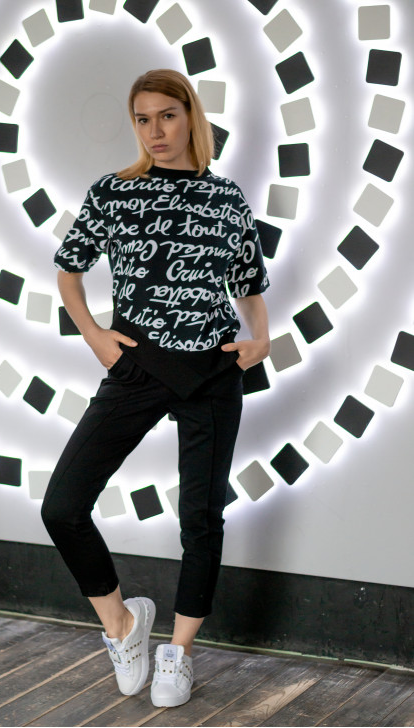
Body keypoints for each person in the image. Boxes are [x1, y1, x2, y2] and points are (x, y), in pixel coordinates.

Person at [41, 68, 270, 708]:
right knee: (62, 506)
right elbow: (68, 272)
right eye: (142, 119)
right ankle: (122, 622)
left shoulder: (226, 198)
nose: (155, 130)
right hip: (137, 365)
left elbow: (249, 286)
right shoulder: (114, 192)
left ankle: (180, 651)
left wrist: (261, 338)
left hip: (214, 370)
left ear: (190, 115)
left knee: (200, 517)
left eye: (167, 115)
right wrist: (95, 335)